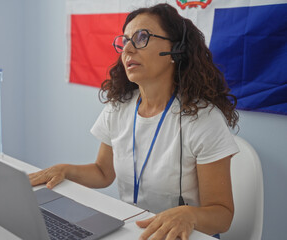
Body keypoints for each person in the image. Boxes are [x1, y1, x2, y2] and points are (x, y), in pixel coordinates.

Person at [29, 3, 239, 240]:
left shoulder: (203, 119)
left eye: (141, 38)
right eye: (125, 40)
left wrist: (189, 215)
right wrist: (64, 169)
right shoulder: (119, 106)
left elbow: (222, 215)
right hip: (133, 231)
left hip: (183, 234)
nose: (127, 49)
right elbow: (102, 172)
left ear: (176, 50)